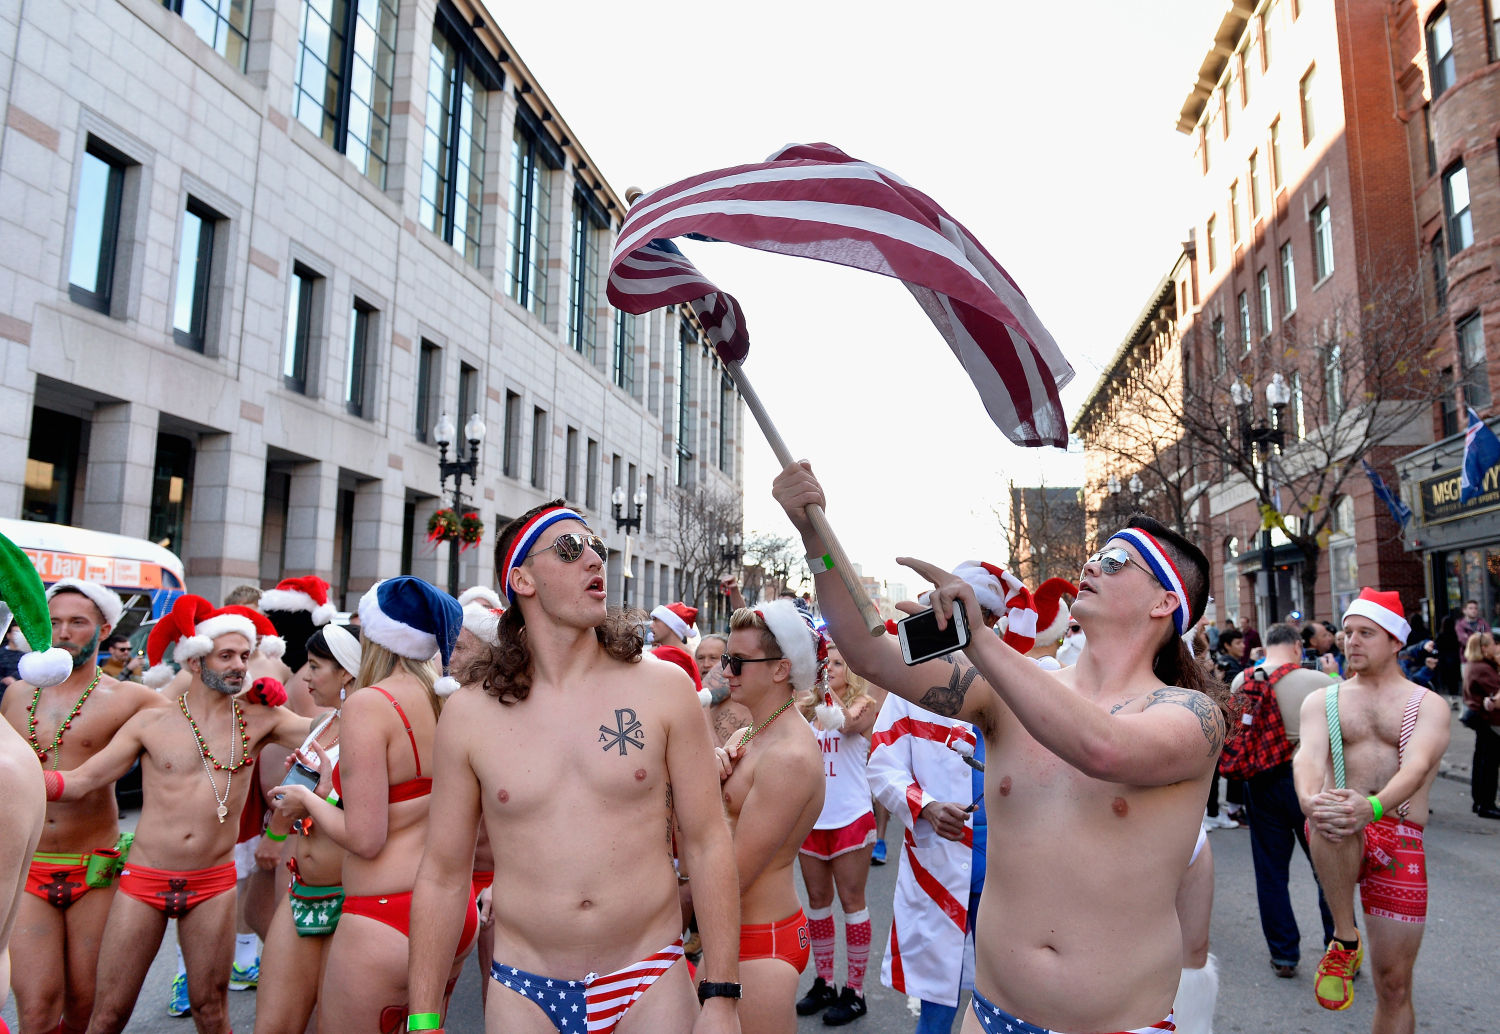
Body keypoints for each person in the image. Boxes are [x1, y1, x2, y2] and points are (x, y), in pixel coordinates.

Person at [775, 463, 1227, 1034]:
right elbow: (869, 654)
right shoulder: (1011, 689)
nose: (1090, 565)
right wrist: (814, 536)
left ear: (1164, 603)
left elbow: (1102, 748)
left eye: (1115, 562)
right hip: (992, 1018)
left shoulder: (1192, 715)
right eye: (1095, 555)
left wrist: (980, 640)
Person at [406, 502, 741, 1034]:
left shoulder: (662, 688)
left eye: (596, 548)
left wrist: (721, 995)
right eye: (568, 548)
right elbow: (444, 874)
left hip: (649, 977)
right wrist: (423, 1018)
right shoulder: (469, 714)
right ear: (522, 580)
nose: (593, 559)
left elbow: (707, 841)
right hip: (525, 989)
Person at [43, 594, 307, 1034]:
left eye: (245, 656)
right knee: (108, 1015)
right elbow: (82, 781)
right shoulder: (153, 721)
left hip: (213, 883)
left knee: (211, 1010)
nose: (239, 666)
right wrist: (21, 778)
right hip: (143, 880)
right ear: (195, 661)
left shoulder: (261, 719)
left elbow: (331, 732)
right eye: (226, 656)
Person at [268, 576, 475, 1032]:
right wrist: (333, 789)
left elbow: (365, 838)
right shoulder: (445, 698)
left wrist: (306, 799)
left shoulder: (369, 704)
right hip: (451, 913)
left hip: (385, 915)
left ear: (379, 636)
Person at [0, 578, 167, 1034]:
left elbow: (196, 721)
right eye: (53, 622)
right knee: (36, 1010)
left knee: (85, 1006)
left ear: (106, 628)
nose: (63, 632)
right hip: (28, 868)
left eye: (77, 622)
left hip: (96, 870)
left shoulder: (132, 698)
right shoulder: (16, 695)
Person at [1294, 587, 1450, 1027]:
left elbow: (1417, 766)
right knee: (1332, 813)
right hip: (1340, 831)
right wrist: (1308, 799)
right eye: (1348, 632)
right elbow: (1307, 757)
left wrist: (1375, 807)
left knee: (1394, 985)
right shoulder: (1323, 700)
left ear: (1396, 641)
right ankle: (1344, 938)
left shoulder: (1428, 705)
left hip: (1399, 835)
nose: (1352, 641)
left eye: (1366, 633)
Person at [715, 600, 825, 1034]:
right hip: (738, 931)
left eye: (738, 662)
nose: (726, 672)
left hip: (762, 940)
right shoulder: (747, 735)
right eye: (726, 660)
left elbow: (734, 872)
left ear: (780, 669)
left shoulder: (789, 756)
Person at [252, 623, 362, 1034]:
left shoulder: (370, 728)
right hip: (302, 890)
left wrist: (319, 798)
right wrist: (279, 829)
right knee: (272, 1025)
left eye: (315, 667)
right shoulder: (322, 722)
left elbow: (372, 822)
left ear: (346, 672)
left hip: (351, 899)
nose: (306, 677)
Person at [865, 689, 984, 1034]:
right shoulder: (909, 686)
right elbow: (882, 763)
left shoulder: (1029, 670)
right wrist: (926, 806)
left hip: (1011, 865)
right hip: (938, 861)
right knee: (937, 1000)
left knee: (1010, 997)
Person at [1227, 622, 1336, 977]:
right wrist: (1335, 675)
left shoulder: (1242, 680)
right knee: (1327, 867)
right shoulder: (1319, 682)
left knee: (1271, 871)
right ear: (1297, 648)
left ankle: (1284, 954)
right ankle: (1337, 945)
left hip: (1260, 780)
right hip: (1310, 779)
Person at [794, 644, 878, 1026]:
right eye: (825, 664)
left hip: (851, 818)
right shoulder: (805, 708)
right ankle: (824, 981)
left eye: (838, 664)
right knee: (816, 901)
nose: (830, 669)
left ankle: (855, 992)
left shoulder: (864, 705)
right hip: (812, 820)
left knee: (852, 901)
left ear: (852, 670)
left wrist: (823, 689)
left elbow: (844, 724)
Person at [1460, 631, 1500, 819]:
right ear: (1483, 648)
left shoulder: (1474, 665)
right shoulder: (1483, 668)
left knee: (1482, 761)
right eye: (1492, 644)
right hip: (1488, 720)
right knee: (1488, 764)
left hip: (1481, 719)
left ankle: (1479, 801)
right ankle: (1486, 803)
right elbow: (1496, 695)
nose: (1495, 647)